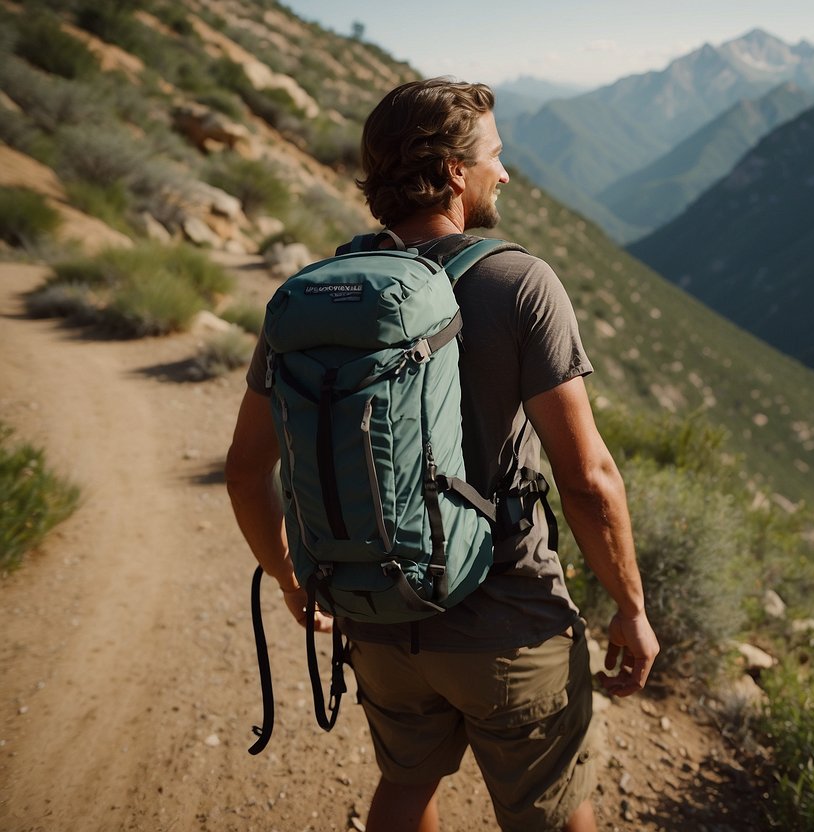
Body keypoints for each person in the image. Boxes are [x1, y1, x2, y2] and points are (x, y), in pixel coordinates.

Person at [225, 77, 659, 832]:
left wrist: (294, 581)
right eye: (494, 155)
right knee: (552, 814)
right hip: (506, 624)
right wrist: (631, 607)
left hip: (378, 613)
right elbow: (587, 479)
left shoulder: (311, 295)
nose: (505, 172)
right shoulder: (517, 280)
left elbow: (243, 470)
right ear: (455, 172)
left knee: (405, 786)